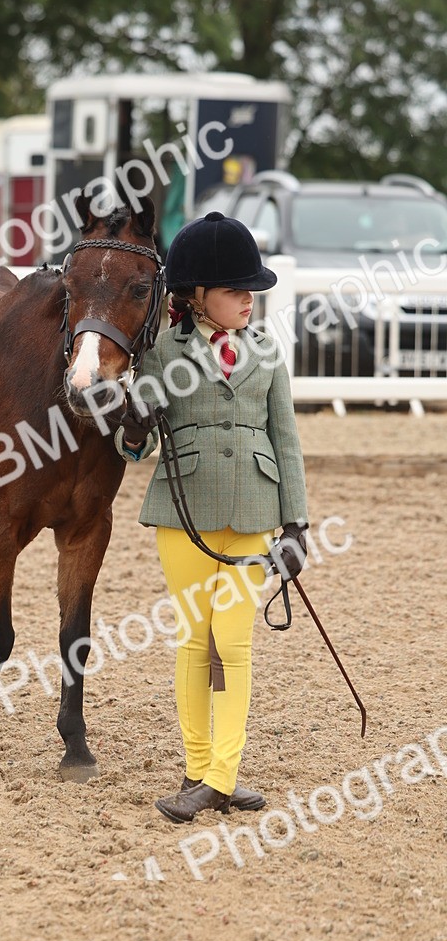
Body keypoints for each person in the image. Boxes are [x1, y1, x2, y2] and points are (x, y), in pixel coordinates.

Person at [113, 210, 309, 823]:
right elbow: (135, 448)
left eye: (251, 290)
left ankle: (219, 776)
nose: (249, 300)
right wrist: (134, 425)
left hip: (254, 506)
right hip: (183, 511)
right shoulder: (161, 354)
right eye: (234, 291)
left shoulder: (268, 351)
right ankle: (201, 769)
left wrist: (297, 524)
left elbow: (287, 439)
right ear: (196, 297)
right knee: (195, 641)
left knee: (235, 640)